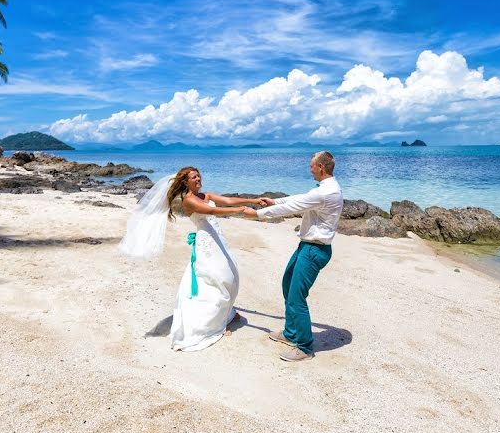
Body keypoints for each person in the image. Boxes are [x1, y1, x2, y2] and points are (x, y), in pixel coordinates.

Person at [119, 166, 264, 351]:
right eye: (193, 177)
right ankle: (211, 323)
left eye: (198, 175)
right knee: (219, 279)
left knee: (230, 276)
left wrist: (253, 200)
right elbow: (212, 212)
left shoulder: (206, 195)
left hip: (217, 239)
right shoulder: (189, 201)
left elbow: (227, 200)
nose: (198, 179)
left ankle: (225, 314)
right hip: (207, 244)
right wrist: (241, 210)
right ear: (185, 182)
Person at [242, 151, 343, 362]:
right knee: (288, 284)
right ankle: (290, 333)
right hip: (306, 246)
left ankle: (305, 347)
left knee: (297, 297)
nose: (310, 169)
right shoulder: (324, 189)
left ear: (321, 168)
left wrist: (257, 214)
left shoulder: (326, 192)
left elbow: (294, 207)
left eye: (312, 166)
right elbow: (300, 199)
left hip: (314, 250)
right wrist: (275, 201)